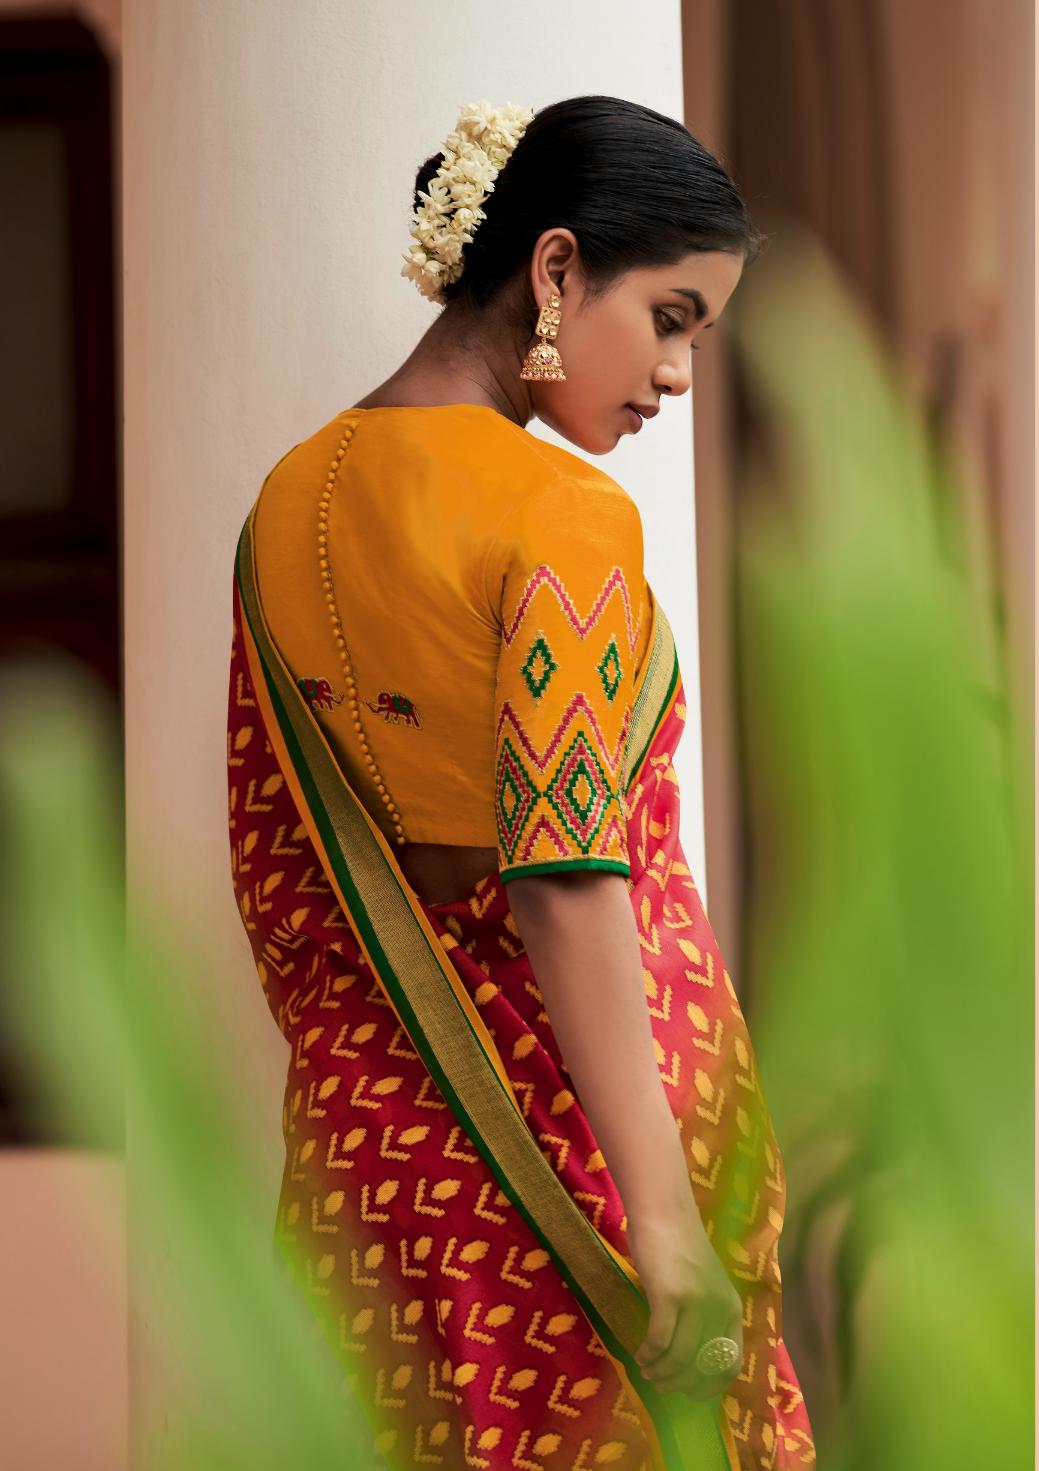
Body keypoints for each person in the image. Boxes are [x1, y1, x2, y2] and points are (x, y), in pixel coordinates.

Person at [227, 95, 816, 1471]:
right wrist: (667, 1221)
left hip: (379, 1169)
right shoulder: (562, 514)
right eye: (672, 317)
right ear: (556, 272)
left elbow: (282, 880)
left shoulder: (284, 503)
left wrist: (381, 1108)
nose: (677, 376)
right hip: (589, 1169)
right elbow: (565, 867)